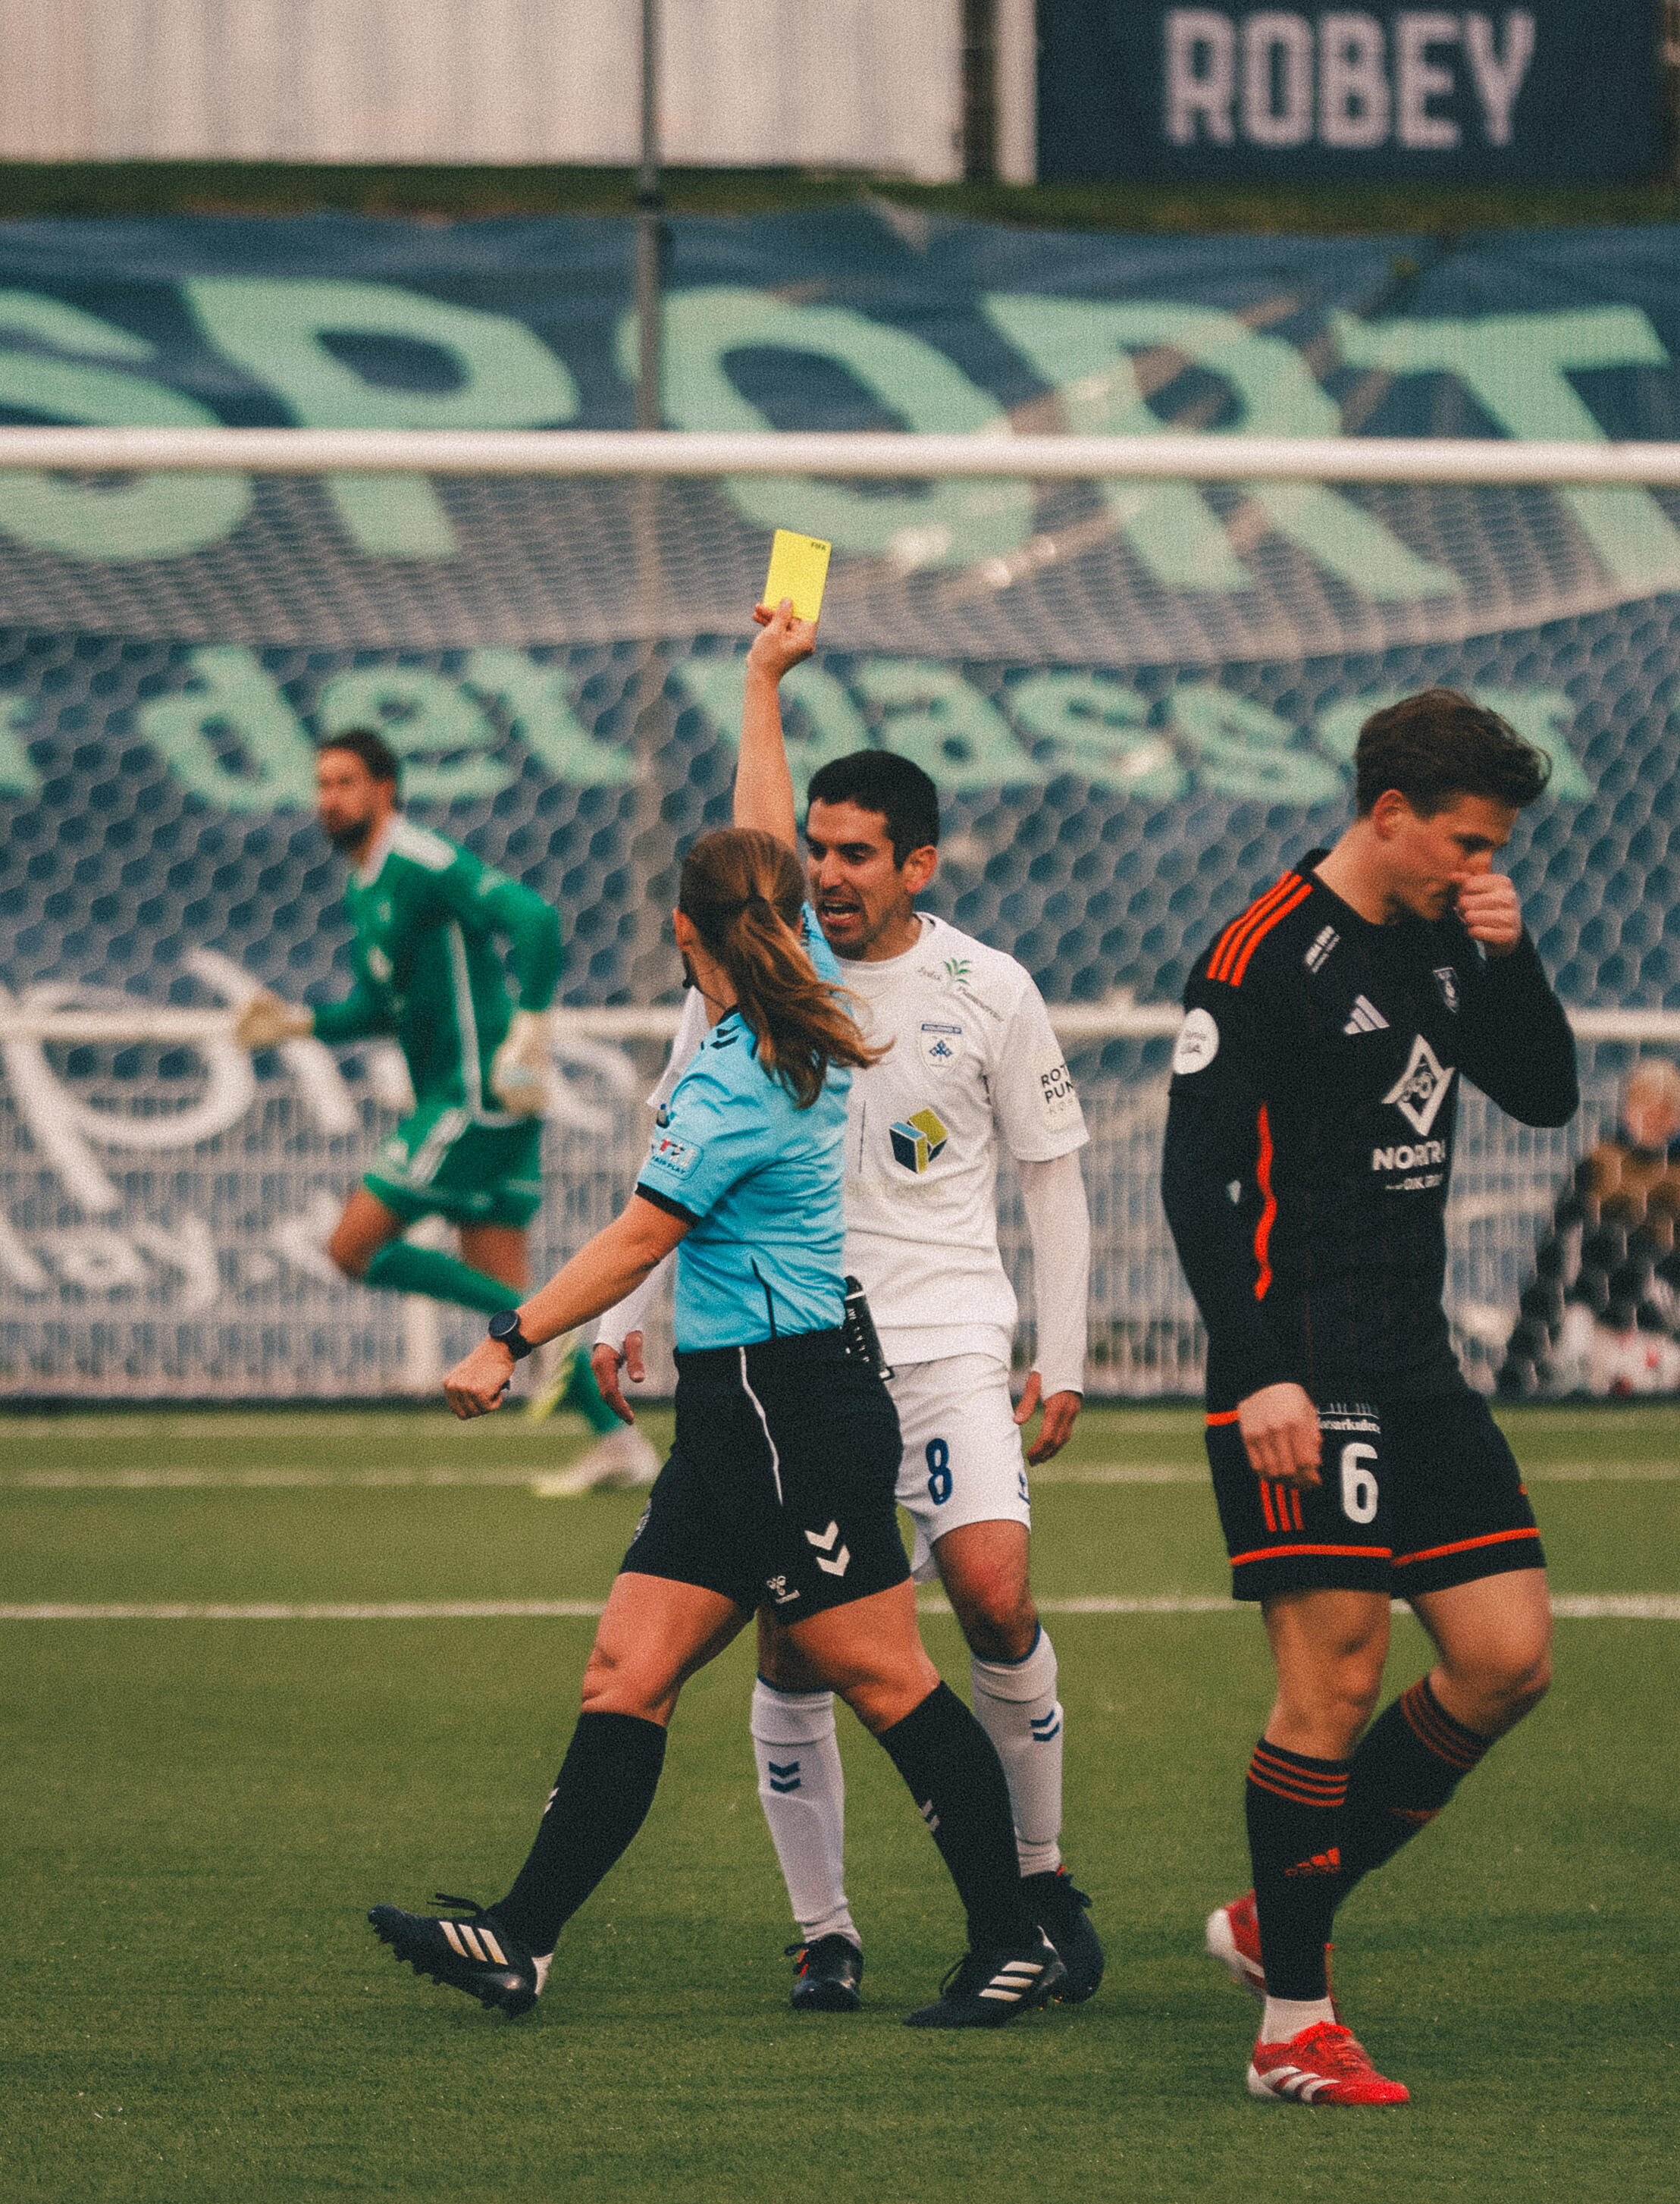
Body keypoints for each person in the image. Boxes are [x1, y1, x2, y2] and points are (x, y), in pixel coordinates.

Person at [368, 820, 1068, 2029]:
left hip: (792, 1407)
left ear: (683, 928)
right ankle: (521, 1939)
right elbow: (763, 849)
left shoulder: (740, 1071)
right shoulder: (787, 1019)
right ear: (785, 922)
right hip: (739, 1410)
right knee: (627, 1668)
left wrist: (509, 1337)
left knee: (885, 1675)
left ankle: (1016, 1937)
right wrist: (762, 712)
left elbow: (644, 1233)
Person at [593, 600, 1102, 2013]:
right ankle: (826, 1930)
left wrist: (1061, 1355)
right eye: (812, 850)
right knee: (798, 1638)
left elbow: (1055, 1178)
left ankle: (1040, 1880)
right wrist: (620, 1318)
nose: (824, 872)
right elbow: (671, 1174)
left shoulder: (987, 988)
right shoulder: (766, 984)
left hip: (942, 1346)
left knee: (994, 1594)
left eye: (855, 853)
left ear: (917, 864)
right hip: (800, 1360)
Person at [1161, 688, 1578, 2106]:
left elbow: (1543, 1093)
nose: (1482, 865)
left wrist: (1513, 956)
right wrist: (1259, 1369)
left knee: (1507, 1658)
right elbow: (1196, 1183)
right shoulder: (1261, 955)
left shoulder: (1449, 938)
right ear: (1390, 813)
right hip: (1300, 1361)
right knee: (1333, 1677)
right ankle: (1292, 2023)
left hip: (1416, 1361)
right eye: (1468, 842)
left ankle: (1274, 1916)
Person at [233, 726, 654, 1481]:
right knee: (508, 1293)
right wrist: (297, 1023)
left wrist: (530, 1028)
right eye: (322, 785)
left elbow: (535, 918)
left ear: (385, 789)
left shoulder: (420, 860)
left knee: (351, 1247)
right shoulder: (365, 882)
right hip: (468, 1098)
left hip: (478, 1094)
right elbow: (377, 1006)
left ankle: (541, 1331)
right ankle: (619, 1442)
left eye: (345, 783)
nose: (330, 799)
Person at [1500, 1056, 1680, 1397]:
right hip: (1592, 1308)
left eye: (1665, 1108)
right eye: (1643, 1105)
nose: (1653, 1117)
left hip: (1660, 1311)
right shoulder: (1599, 1163)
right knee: (1578, 1249)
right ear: (1627, 1110)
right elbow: (1555, 1253)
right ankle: (1535, 1372)